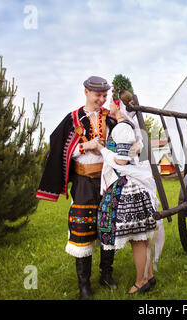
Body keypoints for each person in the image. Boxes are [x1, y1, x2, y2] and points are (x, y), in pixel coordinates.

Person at [36, 76, 119, 300]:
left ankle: (106, 274)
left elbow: (121, 143)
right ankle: (84, 285)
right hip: (83, 182)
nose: (102, 99)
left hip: (106, 180)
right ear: (86, 92)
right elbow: (60, 148)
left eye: (104, 95)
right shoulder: (73, 119)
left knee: (107, 225)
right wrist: (85, 145)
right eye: (97, 95)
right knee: (82, 227)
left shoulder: (110, 120)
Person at [95, 90, 161, 294]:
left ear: (118, 105)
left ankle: (141, 282)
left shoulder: (122, 128)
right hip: (133, 184)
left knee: (138, 239)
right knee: (141, 237)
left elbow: (122, 161)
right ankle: (148, 277)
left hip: (128, 187)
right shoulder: (128, 126)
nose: (107, 106)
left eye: (111, 102)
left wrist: (101, 149)